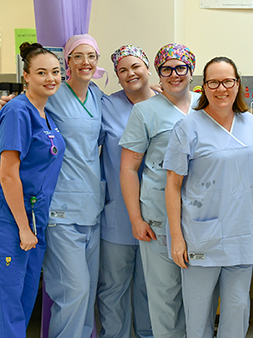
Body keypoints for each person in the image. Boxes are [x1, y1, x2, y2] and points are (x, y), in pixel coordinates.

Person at [0, 42, 64, 337]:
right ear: (26, 76)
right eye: (41, 72)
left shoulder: (44, 113)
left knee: (23, 304)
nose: (50, 78)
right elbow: (9, 176)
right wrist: (24, 228)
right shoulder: (18, 112)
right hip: (6, 219)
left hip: (31, 218)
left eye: (55, 72)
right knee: (8, 308)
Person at [165, 56, 253, 338]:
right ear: (203, 87)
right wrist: (177, 237)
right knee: (198, 314)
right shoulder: (188, 127)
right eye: (213, 82)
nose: (221, 88)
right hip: (199, 235)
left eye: (227, 81)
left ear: (237, 84)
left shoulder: (250, 122)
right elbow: (172, 184)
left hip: (241, 233)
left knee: (237, 310)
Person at [119, 43, 198, 337]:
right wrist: (136, 219)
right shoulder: (145, 111)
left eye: (181, 67)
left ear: (191, 70)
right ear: (159, 74)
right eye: (167, 69)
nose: (174, 74)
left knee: (200, 300)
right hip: (158, 218)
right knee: (165, 299)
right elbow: (128, 168)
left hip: (202, 218)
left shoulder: (208, 104)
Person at [41, 34, 106, 338]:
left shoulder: (97, 96)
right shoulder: (53, 94)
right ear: (67, 62)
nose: (85, 62)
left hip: (92, 209)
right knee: (73, 292)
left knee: (87, 292)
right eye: (77, 56)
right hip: (61, 211)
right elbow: (26, 108)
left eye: (91, 56)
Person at [97, 45, 154, 338]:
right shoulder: (106, 106)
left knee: (151, 289)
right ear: (117, 77)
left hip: (157, 215)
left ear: (148, 68)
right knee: (114, 288)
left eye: (136, 66)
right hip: (117, 214)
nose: (130, 73)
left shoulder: (168, 104)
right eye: (122, 70)